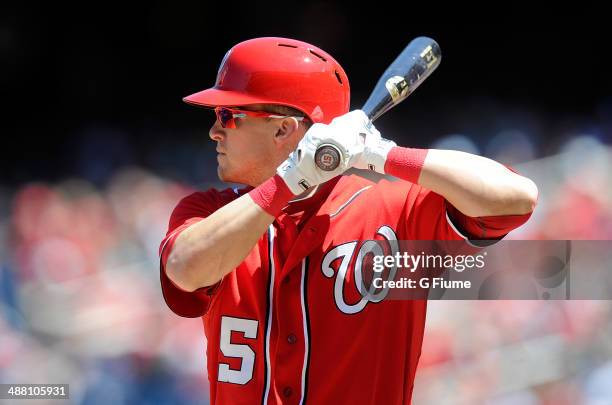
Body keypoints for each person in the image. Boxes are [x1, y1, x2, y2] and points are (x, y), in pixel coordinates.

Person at [159, 37, 538, 405]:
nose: (214, 131)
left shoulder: (392, 209)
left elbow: (515, 197)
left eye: (229, 116)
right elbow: (185, 268)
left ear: (283, 129)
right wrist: (290, 180)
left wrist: (382, 153)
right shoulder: (206, 212)